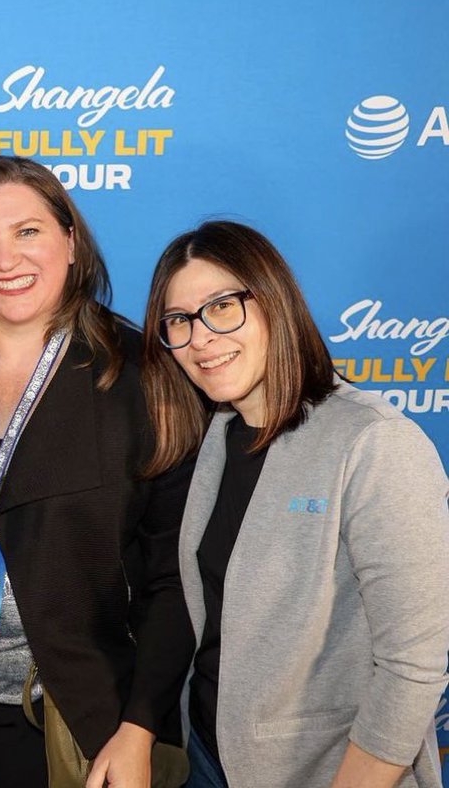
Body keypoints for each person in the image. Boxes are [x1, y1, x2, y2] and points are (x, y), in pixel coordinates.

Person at [0, 155, 194, 788]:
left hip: (75, 716)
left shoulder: (146, 377)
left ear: (71, 243)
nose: (6, 260)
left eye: (28, 231)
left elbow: (176, 577)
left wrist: (139, 726)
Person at [141, 220, 449, 788]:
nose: (201, 338)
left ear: (273, 300)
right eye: (179, 321)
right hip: (207, 756)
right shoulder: (217, 436)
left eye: (222, 306)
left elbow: (413, 667)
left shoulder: (374, 443)